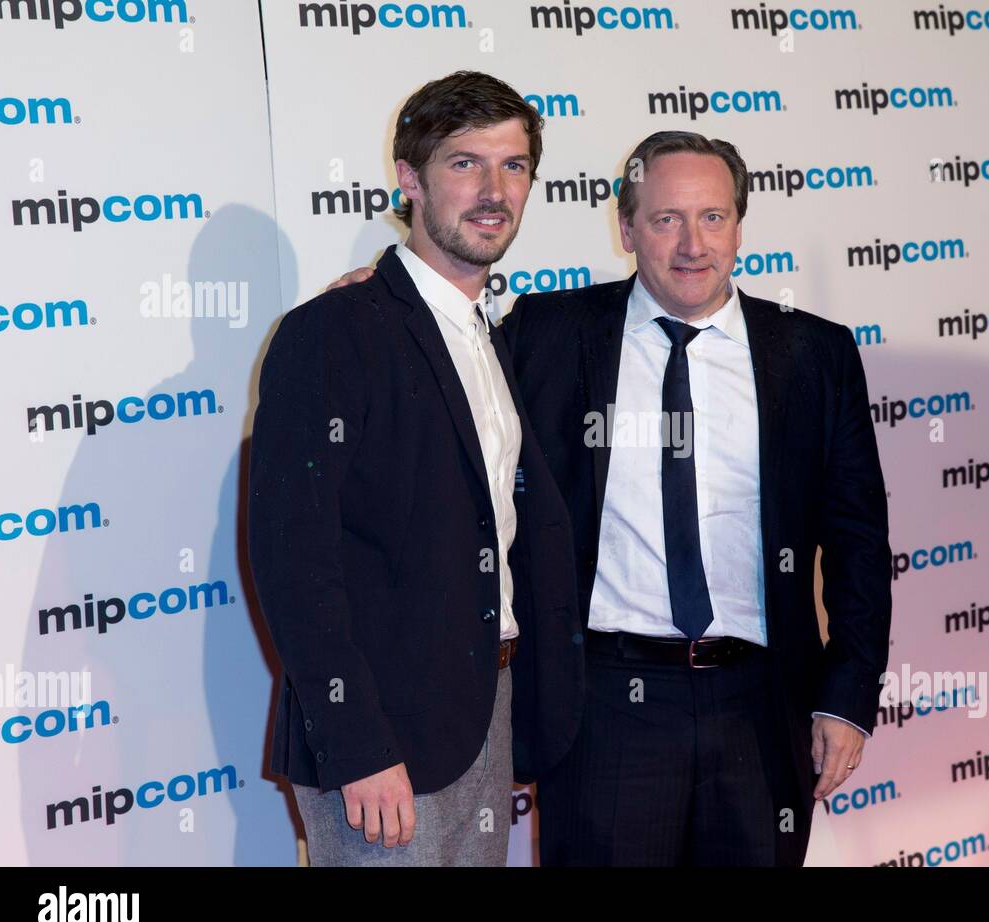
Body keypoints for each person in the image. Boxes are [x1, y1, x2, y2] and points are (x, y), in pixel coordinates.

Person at [333, 130, 892, 866]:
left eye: (713, 218)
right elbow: (442, 368)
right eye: (665, 220)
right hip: (604, 710)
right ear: (626, 229)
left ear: (739, 227)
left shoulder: (813, 354)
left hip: (763, 708)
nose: (692, 244)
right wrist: (367, 312)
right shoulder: (548, 335)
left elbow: (858, 542)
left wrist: (846, 697)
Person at [248, 71, 582, 866]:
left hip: (485, 714)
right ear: (410, 177)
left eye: (514, 166)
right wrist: (356, 744)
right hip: (380, 734)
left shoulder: (492, 335)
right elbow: (294, 559)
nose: (495, 190)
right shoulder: (332, 333)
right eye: (466, 164)